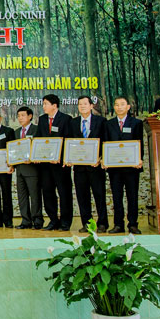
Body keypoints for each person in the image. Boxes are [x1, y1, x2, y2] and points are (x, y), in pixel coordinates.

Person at [103, 96, 144, 235]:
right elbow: (106, 143)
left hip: (132, 167)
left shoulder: (136, 123)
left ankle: (133, 224)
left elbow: (139, 142)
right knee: (116, 197)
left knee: (132, 196)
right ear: (114, 107)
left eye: (122, 104)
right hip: (114, 168)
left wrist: (139, 159)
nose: (119, 107)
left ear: (128, 107)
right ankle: (118, 224)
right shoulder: (108, 124)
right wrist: (105, 159)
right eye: (116, 105)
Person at [70, 96, 108, 233]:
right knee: (82, 196)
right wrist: (69, 157)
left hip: (95, 166)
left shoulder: (101, 121)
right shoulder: (73, 122)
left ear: (91, 106)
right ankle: (87, 223)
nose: (82, 106)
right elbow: (69, 142)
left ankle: (102, 223)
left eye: (85, 104)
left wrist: (101, 158)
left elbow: (105, 141)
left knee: (99, 195)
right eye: (80, 104)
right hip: (79, 167)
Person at [36, 93, 73, 231]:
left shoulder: (66, 119)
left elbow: (69, 140)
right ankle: (53, 220)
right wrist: (36, 154)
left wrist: (62, 157)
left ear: (54, 105)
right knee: (47, 192)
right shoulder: (42, 119)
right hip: (45, 165)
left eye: (46, 104)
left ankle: (65, 221)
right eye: (43, 104)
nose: (43, 106)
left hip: (60, 165)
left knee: (64, 193)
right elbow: (39, 139)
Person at [13, 106, 43, 230]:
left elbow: (41, 148)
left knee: (35, 196)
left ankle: (37, 220)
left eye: (23, 115)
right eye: (18, 116)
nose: (20, 118)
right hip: (19, 170)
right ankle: (25, 220)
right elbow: (13, 151)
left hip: (32, 170)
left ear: (30, 116)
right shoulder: (16, 132)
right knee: (22, 197)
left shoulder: (37, 130)